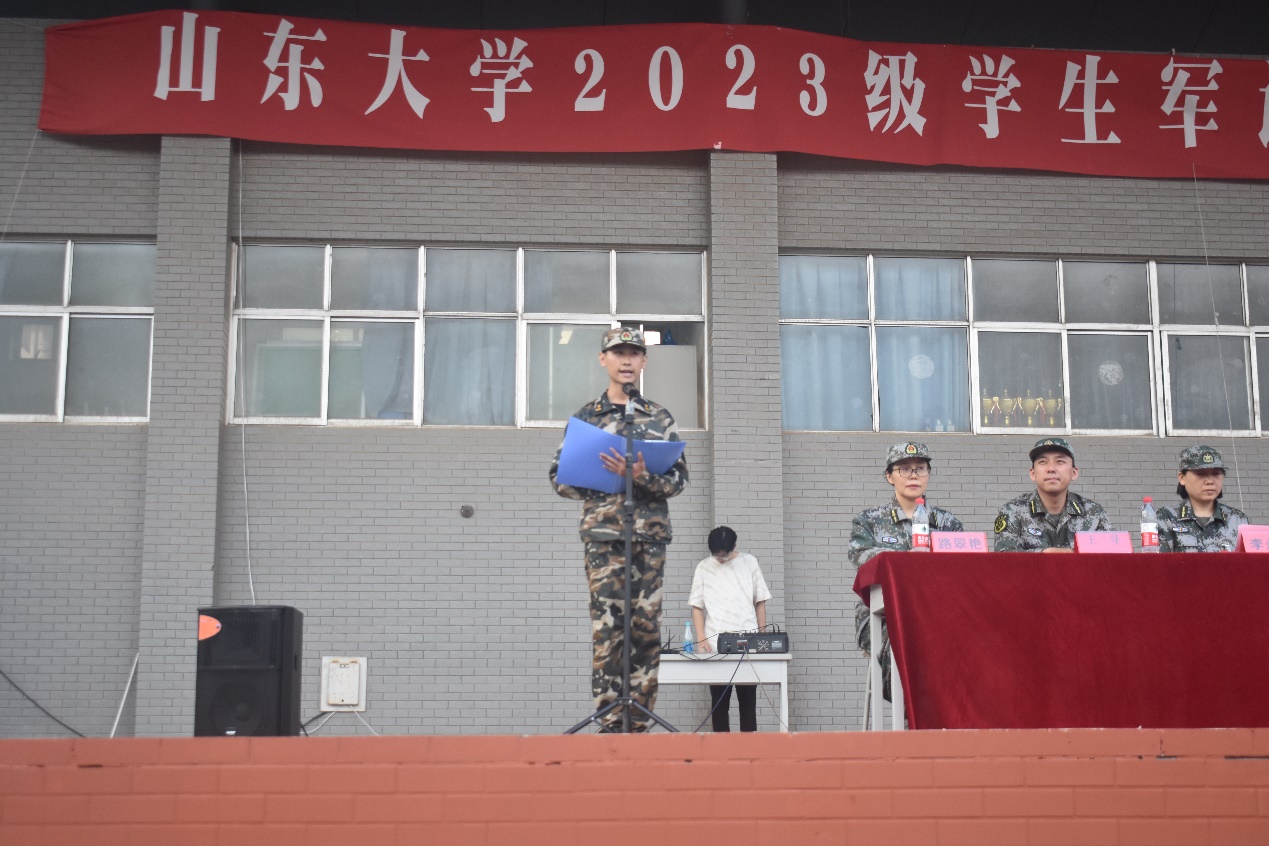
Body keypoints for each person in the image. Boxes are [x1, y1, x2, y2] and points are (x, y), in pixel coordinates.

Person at [549, 326, 689, 732]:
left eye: (634, 353)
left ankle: (638, 722)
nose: (626, 360)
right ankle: (611, 720)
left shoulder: (659, 417)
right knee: (609, 629)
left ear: (644, 361)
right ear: (603, 359)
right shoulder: (586, 418)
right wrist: (604, 476)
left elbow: (678, 480)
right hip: (604, 538)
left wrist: (641, 477)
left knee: (645, 628)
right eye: (618, 353)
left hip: (649, 537)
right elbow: (559, 478)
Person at [849, 442, 963, 700]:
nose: (913, 475)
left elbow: (963, 567)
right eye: (904, 469)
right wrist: (906, 561)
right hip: (884, 616)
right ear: (889, 477)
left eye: (920, 468)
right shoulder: (869, 521)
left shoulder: (948, 523)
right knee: (907, 643)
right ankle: (914, 712)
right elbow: (861, 557)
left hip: (938, 613)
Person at [688, 526, 773, 732]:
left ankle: (748, 747)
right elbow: (697, 606)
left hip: (748, 642)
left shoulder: (749, 562)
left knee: (748, 704)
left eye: (724, 555)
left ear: (734, 546)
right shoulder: (703, 567)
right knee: (719, 705)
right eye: (716, 555)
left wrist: (761, 637)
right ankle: (720, 748)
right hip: (715, 644)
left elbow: (760, 601)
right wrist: (701, 638)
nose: (720, 559)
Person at [993, 437, 1114, 552]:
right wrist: (1044, 555)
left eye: (1060, 461)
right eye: (1043, 462)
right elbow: (1004, 557)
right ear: (1033, 473)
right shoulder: (1012, 511)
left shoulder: (1093, 512)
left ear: (1074, 472)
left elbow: (1113, 555)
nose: (1051, 468)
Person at [1157, 445, 1248, 552]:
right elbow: (1159, 561)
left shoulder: (1236, 519)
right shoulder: (1167, 517)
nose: (1210, 481)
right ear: (1182, 478)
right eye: (1201, 474)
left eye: (1216, 474)